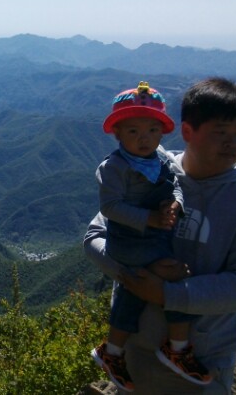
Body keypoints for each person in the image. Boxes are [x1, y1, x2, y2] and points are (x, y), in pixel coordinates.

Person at [85, 77, 236, 394]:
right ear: (187, 131)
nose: (231, 143)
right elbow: (94, 237)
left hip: (200, 370)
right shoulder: (149, 171)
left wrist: (166, 293)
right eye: (221, 133)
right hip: (132, 361)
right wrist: (138, 273)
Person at [90, 81, 211, 392]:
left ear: (162, 132)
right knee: (175, 277)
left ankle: (113, 351)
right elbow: (110, 207)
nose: (144, 138)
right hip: (129, 242)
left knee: (132, 294)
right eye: (133, 131)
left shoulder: (160, 158)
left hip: (153, 238)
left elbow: (174, 185)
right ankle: (178, 346)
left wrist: (175, 205)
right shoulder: (114, 167)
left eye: (152, 130)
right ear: (117, 133)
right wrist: (150, 218)